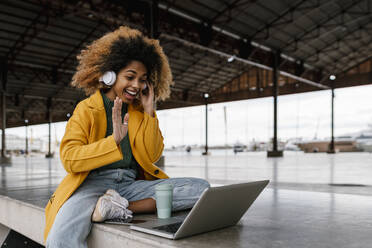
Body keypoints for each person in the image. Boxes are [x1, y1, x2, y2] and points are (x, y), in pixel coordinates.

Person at [44, 26, 210, 247]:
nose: (137, 85)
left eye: (142, 79)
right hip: (91, 185)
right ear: (110, 75)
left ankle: (116, 206)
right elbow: (69, 159)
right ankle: (109, 204)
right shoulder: (86, 109)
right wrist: (112, 143)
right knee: (60, 239)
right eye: (130, 77)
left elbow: (152, 154)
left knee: (201, 189)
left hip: (131, 186)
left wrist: (150, 111)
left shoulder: (140, 113)